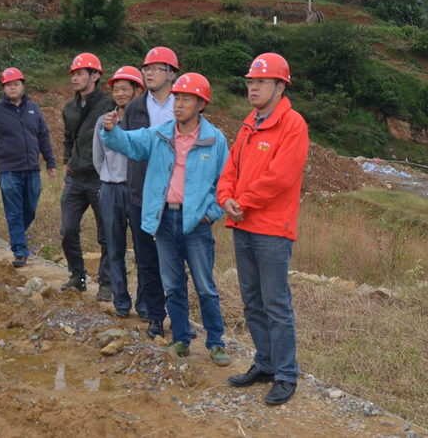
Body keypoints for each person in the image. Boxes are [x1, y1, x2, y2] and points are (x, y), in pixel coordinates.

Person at [102, 72, 231, 367]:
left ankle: (216, 342)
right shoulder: (160, 135)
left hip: (196, 224)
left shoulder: (214, 139)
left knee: (205, 286)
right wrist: (111, 131)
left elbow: (226, 181)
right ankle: (182, 338)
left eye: (186, 99)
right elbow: (128, 143)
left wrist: (211, 213)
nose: (179, 104)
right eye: (177, 98)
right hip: (164, 220)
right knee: (172, 285)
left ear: (201, 104)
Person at [217, 53, 309, 406]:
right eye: (250, 82)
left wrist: (242, 200)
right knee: (252, 301)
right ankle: (266, 363)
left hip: (271, 230)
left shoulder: (293, 125)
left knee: (275, 303)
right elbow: (230, 168)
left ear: (280, 86)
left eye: (261, 82)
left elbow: (281, 177)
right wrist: (226, 197)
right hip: (243, 223)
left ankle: (286, 374)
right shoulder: (249, 125)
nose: (253, 87)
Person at [122, 46, 179, 337]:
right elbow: (128, 146)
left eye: (156, 68)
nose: (149, 73)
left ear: (172, 73)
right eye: (147, 68)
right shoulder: (134, 108)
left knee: (176, 261)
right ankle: (156, 316)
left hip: (175, 195)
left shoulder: (184, 104)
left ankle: (180, 319)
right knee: (146, 259)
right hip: (141, 193)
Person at [0, 67, 57, 268]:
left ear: (23, 86)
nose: (12, 88)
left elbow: (43, 136)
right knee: (14, 210)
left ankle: (16, 235)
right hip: (8, 170)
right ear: (3, 88)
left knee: (30, 209)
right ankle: (20, 251)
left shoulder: (34, 109)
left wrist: (50, 162)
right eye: (8, 85)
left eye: (16, 84)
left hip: (32, 168)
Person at [59, 53, 115, 297]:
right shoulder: (69, 108)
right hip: (75, 177)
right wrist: (65, 163)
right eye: (73, 74)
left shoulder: (109, 105)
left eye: (80, 73)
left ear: (95, 76)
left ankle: (106, 283)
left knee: (106, 233)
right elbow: (68, 139)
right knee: (68, 229)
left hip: (99, 179)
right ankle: (77, 275)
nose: (75, 78)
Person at [92, 66, 144, 316]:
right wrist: (110, 178)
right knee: (114, 249)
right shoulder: (104, 121)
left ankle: (145, 305)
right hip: (111, 191)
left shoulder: (144, 123)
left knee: (144, 251)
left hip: (138, 191)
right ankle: (121, 303)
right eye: (116, 89)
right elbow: (98, 158)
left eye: (125, 88)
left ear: (138, 91)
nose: (120, 93)